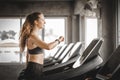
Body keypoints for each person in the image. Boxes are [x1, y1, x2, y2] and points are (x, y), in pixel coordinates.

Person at [18, 12, 64, 80]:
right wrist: (59, 40)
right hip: (34, 68)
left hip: (35, 68)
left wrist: (27, 68)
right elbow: (48, 47)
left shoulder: (33, 36)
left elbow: (28, 55)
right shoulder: (33, 36)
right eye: (43, 19)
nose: (45, 22)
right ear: (36, 22)